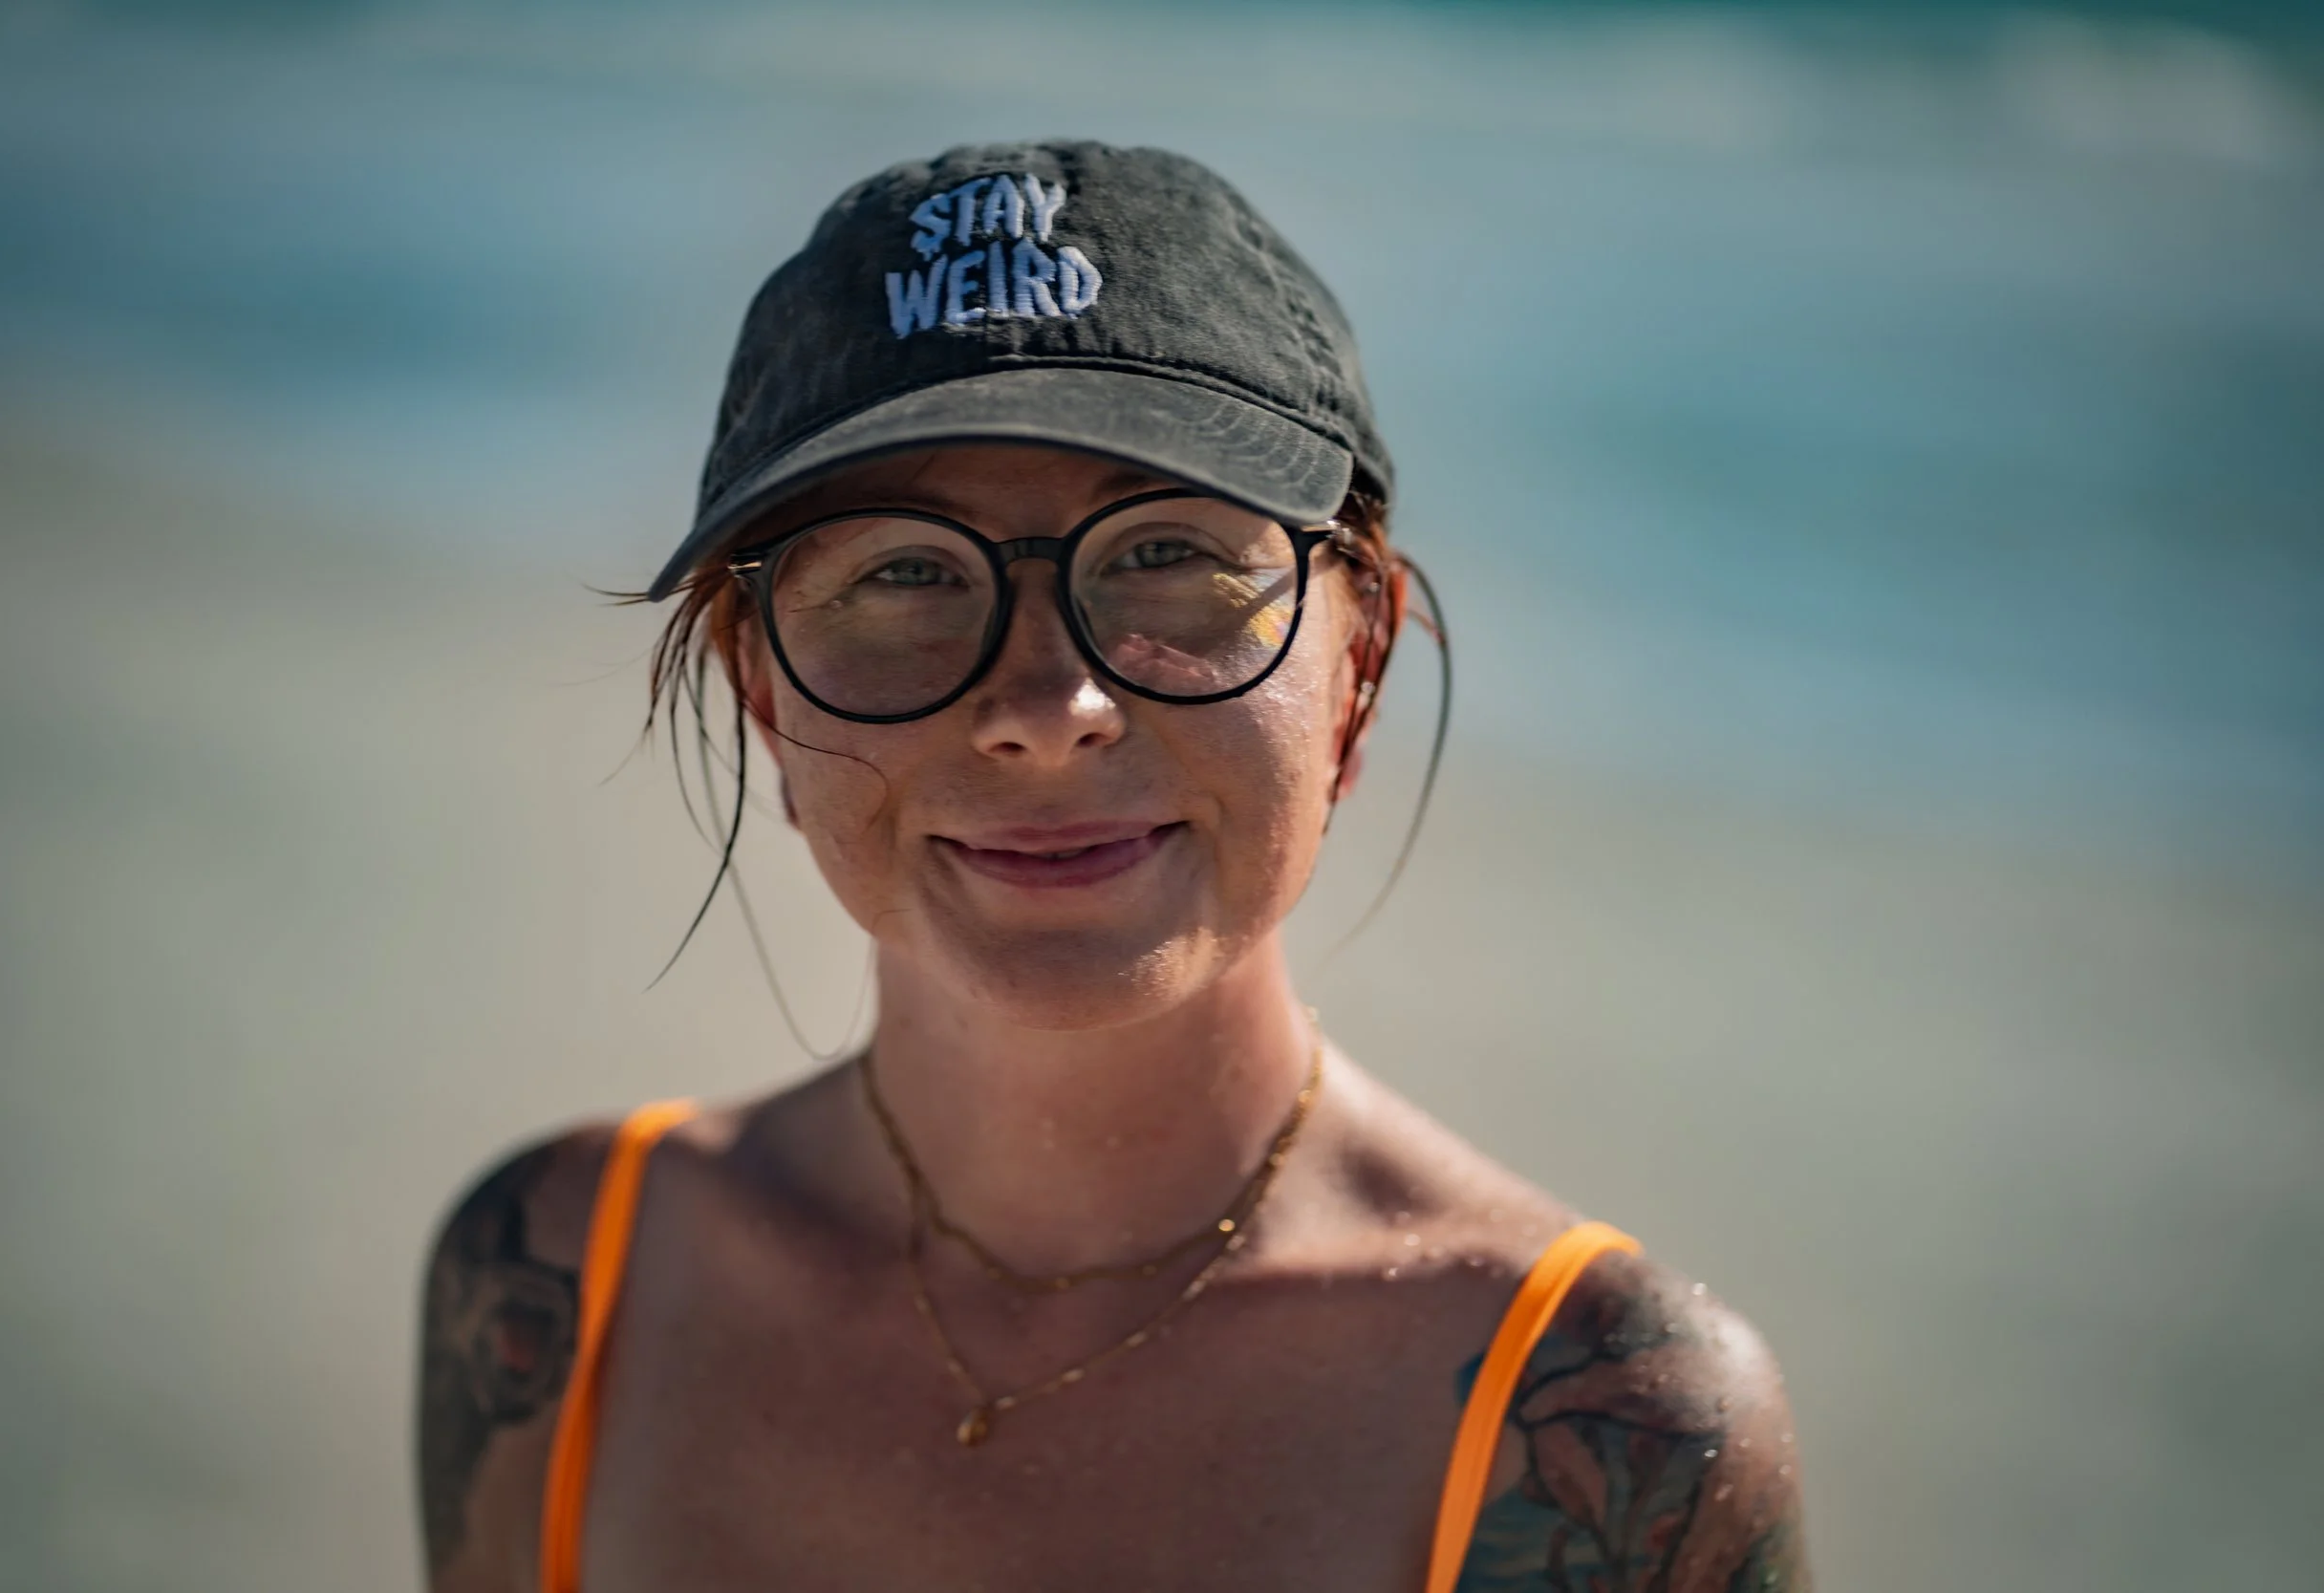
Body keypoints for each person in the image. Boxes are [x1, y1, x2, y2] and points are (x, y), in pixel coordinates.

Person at [415, 140, 1809, 1593]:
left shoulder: (1601, 1421)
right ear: (762, 689)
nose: (1046, 705)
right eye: (903, 571)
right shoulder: (566, 1281)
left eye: (1167, 554)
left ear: (1361, 665)